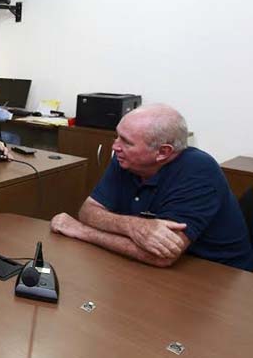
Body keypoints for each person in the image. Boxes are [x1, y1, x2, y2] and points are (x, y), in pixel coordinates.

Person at [50, 104, 253, 271]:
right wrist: (133, 226)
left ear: (163, 152)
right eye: (118, 136)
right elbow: (88, 211)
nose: (115, 146)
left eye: (126, 142)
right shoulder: (127, 160)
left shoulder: (199, 171)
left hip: (220, 277)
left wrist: (82, 231)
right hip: (159, 270)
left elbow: (161, 256)